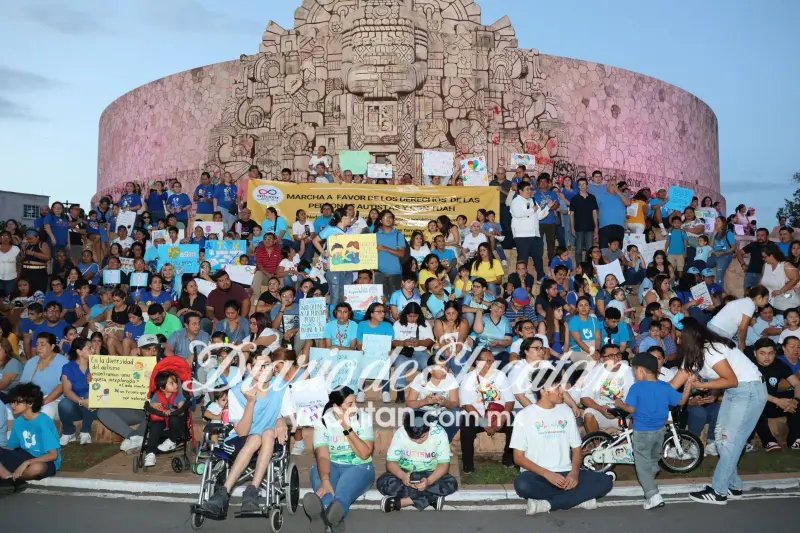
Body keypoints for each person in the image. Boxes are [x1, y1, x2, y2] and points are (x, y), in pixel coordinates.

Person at [671, 318, 767, 505]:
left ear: (689, 337)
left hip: (748, 391)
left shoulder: (710, 350)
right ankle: (734, 485)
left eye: (679, 337)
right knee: (721, 440)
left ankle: (718, 491)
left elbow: (731, 380)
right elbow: (674, 384)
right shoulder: (695, 355)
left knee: (729, 441)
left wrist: (703, 385)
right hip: (736, 392)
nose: (677, 341)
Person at [196, 351, 294, 518]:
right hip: (240, 440)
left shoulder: (281, 387)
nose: (264, 369)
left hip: (269, 439)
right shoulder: (236, 392)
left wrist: (283, 420)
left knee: (268, 433)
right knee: (255, 437)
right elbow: (242, 432)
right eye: (259, 366)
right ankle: (223, 493)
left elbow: (292, 418)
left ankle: (252, 491)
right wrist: (250, 402)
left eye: (268, 365)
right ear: (249, 367)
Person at [512, 367, 614, 515]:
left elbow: (577, 449)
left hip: (566, 472)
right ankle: (579, 499)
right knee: (522, 484)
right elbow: (518, 458)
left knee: (606, 481)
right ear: (543, 391)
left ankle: (549, 504)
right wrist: (548, 474)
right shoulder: (524, 416)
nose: (562, 391)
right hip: (538, 474)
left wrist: (574, 473)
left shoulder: (566, 411)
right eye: (558, 387)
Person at [614, 353, 692, 509]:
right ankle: (650, 478)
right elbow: (682, 401)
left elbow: (631, 408)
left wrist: (619, 403)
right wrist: (689, 384)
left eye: (635, 370)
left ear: (642, 370)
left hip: (642, 432)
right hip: (659, 432)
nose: (635, 374)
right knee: (654, 459)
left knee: (642, 466)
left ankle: (653, 495)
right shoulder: (665, 386)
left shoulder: (637, 387)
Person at [304, 386, 375, 532]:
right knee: (325, 491)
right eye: (350, 404)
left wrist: (346, 426)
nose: (355, 406)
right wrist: (325, 480)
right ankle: (333, 518)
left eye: (354, 402)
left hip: (358, 466)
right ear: (336, 406)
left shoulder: (363, 418)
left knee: (342, 494)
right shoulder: (323, 422)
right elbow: (323, 456)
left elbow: (364, 453)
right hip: (331, 464)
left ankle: (324, 515)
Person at [377, 409, 458, 512]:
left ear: (429, 427)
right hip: (406, 472)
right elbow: (391, 463)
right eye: (414, 439)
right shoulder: (400, 434)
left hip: (431, 473)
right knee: (383, 481)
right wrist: (402, 476)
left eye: (422, 437)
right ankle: (431, 498)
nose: (419, 441)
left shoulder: (439, 433)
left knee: (451, 483)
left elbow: (444, 465)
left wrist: (429, 481)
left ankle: (402, 502)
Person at [459, 349, 515, 474]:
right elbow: (467, 406)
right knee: (467, 426)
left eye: (493, 361)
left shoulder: (500, 375)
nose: (492, 364)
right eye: (488, 361)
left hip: (497, 413)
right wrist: (484, 423)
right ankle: (468, 464)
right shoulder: (468, 379)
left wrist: (502, 419)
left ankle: (508, 459)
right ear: (478, 362)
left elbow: (510, 401)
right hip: (476, 415)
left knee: (513, 422)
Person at [0, 383, 61, 494]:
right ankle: (11, 479)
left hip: (45, 460)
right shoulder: (19, 421)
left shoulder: (43, 422)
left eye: (17, 402)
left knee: (36, 468)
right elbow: (11, 447)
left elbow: (53, 455)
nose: (13, 405)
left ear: (30, 402)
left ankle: (9, 479)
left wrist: (27, 463)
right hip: (24, 455)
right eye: (12, 402)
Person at [748, 338, 800, 451]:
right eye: (762, 353)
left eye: (770, 353)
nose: (767, 357)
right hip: (756, 401)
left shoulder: (778, 364)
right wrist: (778, 401)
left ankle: (795, 439)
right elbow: (754, 391)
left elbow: (796, 383)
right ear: (755, 353)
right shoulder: (748, 366)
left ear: (775, 353)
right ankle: (769, 441)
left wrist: (795, 401)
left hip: (772, 403)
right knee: (754, 403)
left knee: (795, 399)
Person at [580, 344, 635, 432]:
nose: (616, 358)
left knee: (638, 415)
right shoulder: (594, 373)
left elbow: (634, 400)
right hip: (601, 411)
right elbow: (584, 398)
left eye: (618, 354)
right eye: (611, 356)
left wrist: (621, 409)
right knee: (588, 414)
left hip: (623, 413)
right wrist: (600, 409)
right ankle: (597, 445)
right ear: (602, 359)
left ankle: (631, 443)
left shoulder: (630, 372)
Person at [143, 371, 188, 467]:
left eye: (176, 382)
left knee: (174, 418)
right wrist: (152, 404)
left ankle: (171, 441)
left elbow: (181, 403)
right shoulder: (157, 395)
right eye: (172, 383)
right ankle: (150, 453)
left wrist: (180, 406)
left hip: (175, 428)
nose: (176, 385)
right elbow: (152, 404)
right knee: (155, 425)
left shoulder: (178, 395)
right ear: (162, 388)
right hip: (162, 424)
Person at [20, 332, 69, 420]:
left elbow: (61, 387)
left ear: (52, 346)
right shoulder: (31, 362)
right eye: (37, 344)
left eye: (43, 345)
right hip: (32, 399)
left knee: (44, 413)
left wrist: (42, 402)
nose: (38, 348)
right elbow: (22, 384)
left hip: (54, 401)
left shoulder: (63, 362)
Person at [510, 181, 553, 281]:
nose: (529, 191)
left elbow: (539, 215)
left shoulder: (533, 200)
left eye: (530, 189)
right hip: (522, 236)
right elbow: (517, 213)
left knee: (538, 257)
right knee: (523, 259)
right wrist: (532, 210)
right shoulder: (516, 201)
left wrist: (547, 207)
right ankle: (520, 279)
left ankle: (541, 276)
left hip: (535, 235)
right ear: (520, 191)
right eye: (527, 189)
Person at [58, 339, 97, 446]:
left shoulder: (97, 366)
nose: (93, 350)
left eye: (93, 348)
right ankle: (68, 432)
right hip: (75, 405)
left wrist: (92, 383)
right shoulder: (68, 367)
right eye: (89, 348)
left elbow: (103, 390)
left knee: (93, 397)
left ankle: (85, 431)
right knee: (63, 404)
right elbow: (66, 391)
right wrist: (81, 401)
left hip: (92, 407)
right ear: (79, 352)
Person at [707, 286, 769, 351]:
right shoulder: (750, 305)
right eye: (766, 299)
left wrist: (741, 343)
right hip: (719, 330)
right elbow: (742, 328)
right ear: (759, 297)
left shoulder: (746, 301)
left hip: (716, 328)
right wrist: (742, 345)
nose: (767, 302)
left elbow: (741, 327)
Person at [760, 244, 800, 311]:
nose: (763, 259)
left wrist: (781, 291)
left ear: (772, 255)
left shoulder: (785, 265)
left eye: (765, 257)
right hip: (771, 303)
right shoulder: (765, 265)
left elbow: (796, 279)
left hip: (787, 302)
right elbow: (762, 281)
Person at [570, 178, 599, 264]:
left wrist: (596, 227)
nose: (582, 186)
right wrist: (572, 228)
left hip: (590, 228)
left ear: (587, 185)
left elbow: (594, 213)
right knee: (578, 249)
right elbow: (571, 215)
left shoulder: (592, 198)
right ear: (578, 186)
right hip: (578, 228)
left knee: (589, 249)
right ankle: (579, 268)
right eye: (580, 184)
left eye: (584, 184)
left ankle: (587, 267)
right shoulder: (574, 199)